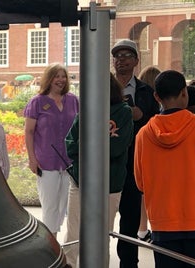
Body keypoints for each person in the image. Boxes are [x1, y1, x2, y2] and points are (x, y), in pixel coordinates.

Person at [134, 70, 195, 267]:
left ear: (156, 97)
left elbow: (140, 183)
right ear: (185, 93)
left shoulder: (143, 135)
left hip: (164, 225)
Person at [63, 73, 134, 267]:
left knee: (102, 234)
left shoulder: (124, 112)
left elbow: (117, 148)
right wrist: (97, 146)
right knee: (73, 232)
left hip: (109, 183)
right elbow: (69, 145)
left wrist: (84, 147)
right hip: (80, 181)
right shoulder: (84, 111)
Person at [111, 39, 159, 268]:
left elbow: (156, 126)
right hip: (106, 163)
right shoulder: (100, 87)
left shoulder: (146, 92)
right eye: (118, 56)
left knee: (129, 221)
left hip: (132, 164)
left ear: (136, 62)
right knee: (99, 220)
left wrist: (141, 117)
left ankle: (129, 265)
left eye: (127, 56)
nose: (121, 60)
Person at [24, 63, 79, 235]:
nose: (61, 80)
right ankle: (50, 243)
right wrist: (32, 159)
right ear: (49, 78)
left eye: (63, 76)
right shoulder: (37, 102)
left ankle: (57, 239)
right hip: (46, 162)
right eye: (57, 76)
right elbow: (29, 132)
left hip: (69, 162)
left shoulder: (73, 100)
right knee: (50, 206)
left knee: (64, 206)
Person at [134, 65, 161, 243]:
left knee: (141, 194)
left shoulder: (140, 97)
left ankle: (142, 231)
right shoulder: (158, 103)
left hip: (141, 151)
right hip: (156, 153)